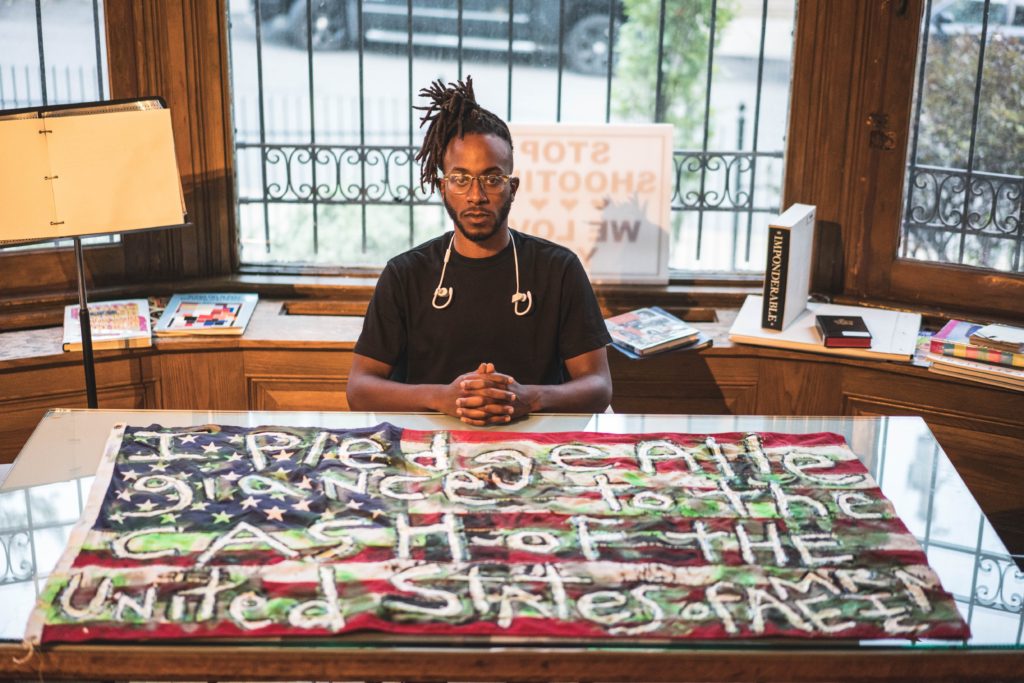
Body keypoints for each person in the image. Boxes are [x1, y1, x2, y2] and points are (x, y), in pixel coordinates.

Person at [346, 76, 612, 426]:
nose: (476, 195)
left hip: (536, 444)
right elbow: (359, 388)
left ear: (512, 188)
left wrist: (527, 397)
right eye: (460, 179)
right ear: (443, 187)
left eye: (491, 178)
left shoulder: (557, 269)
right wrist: (441, 397)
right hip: (429, 449)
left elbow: (598, 385)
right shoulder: (406, 274)